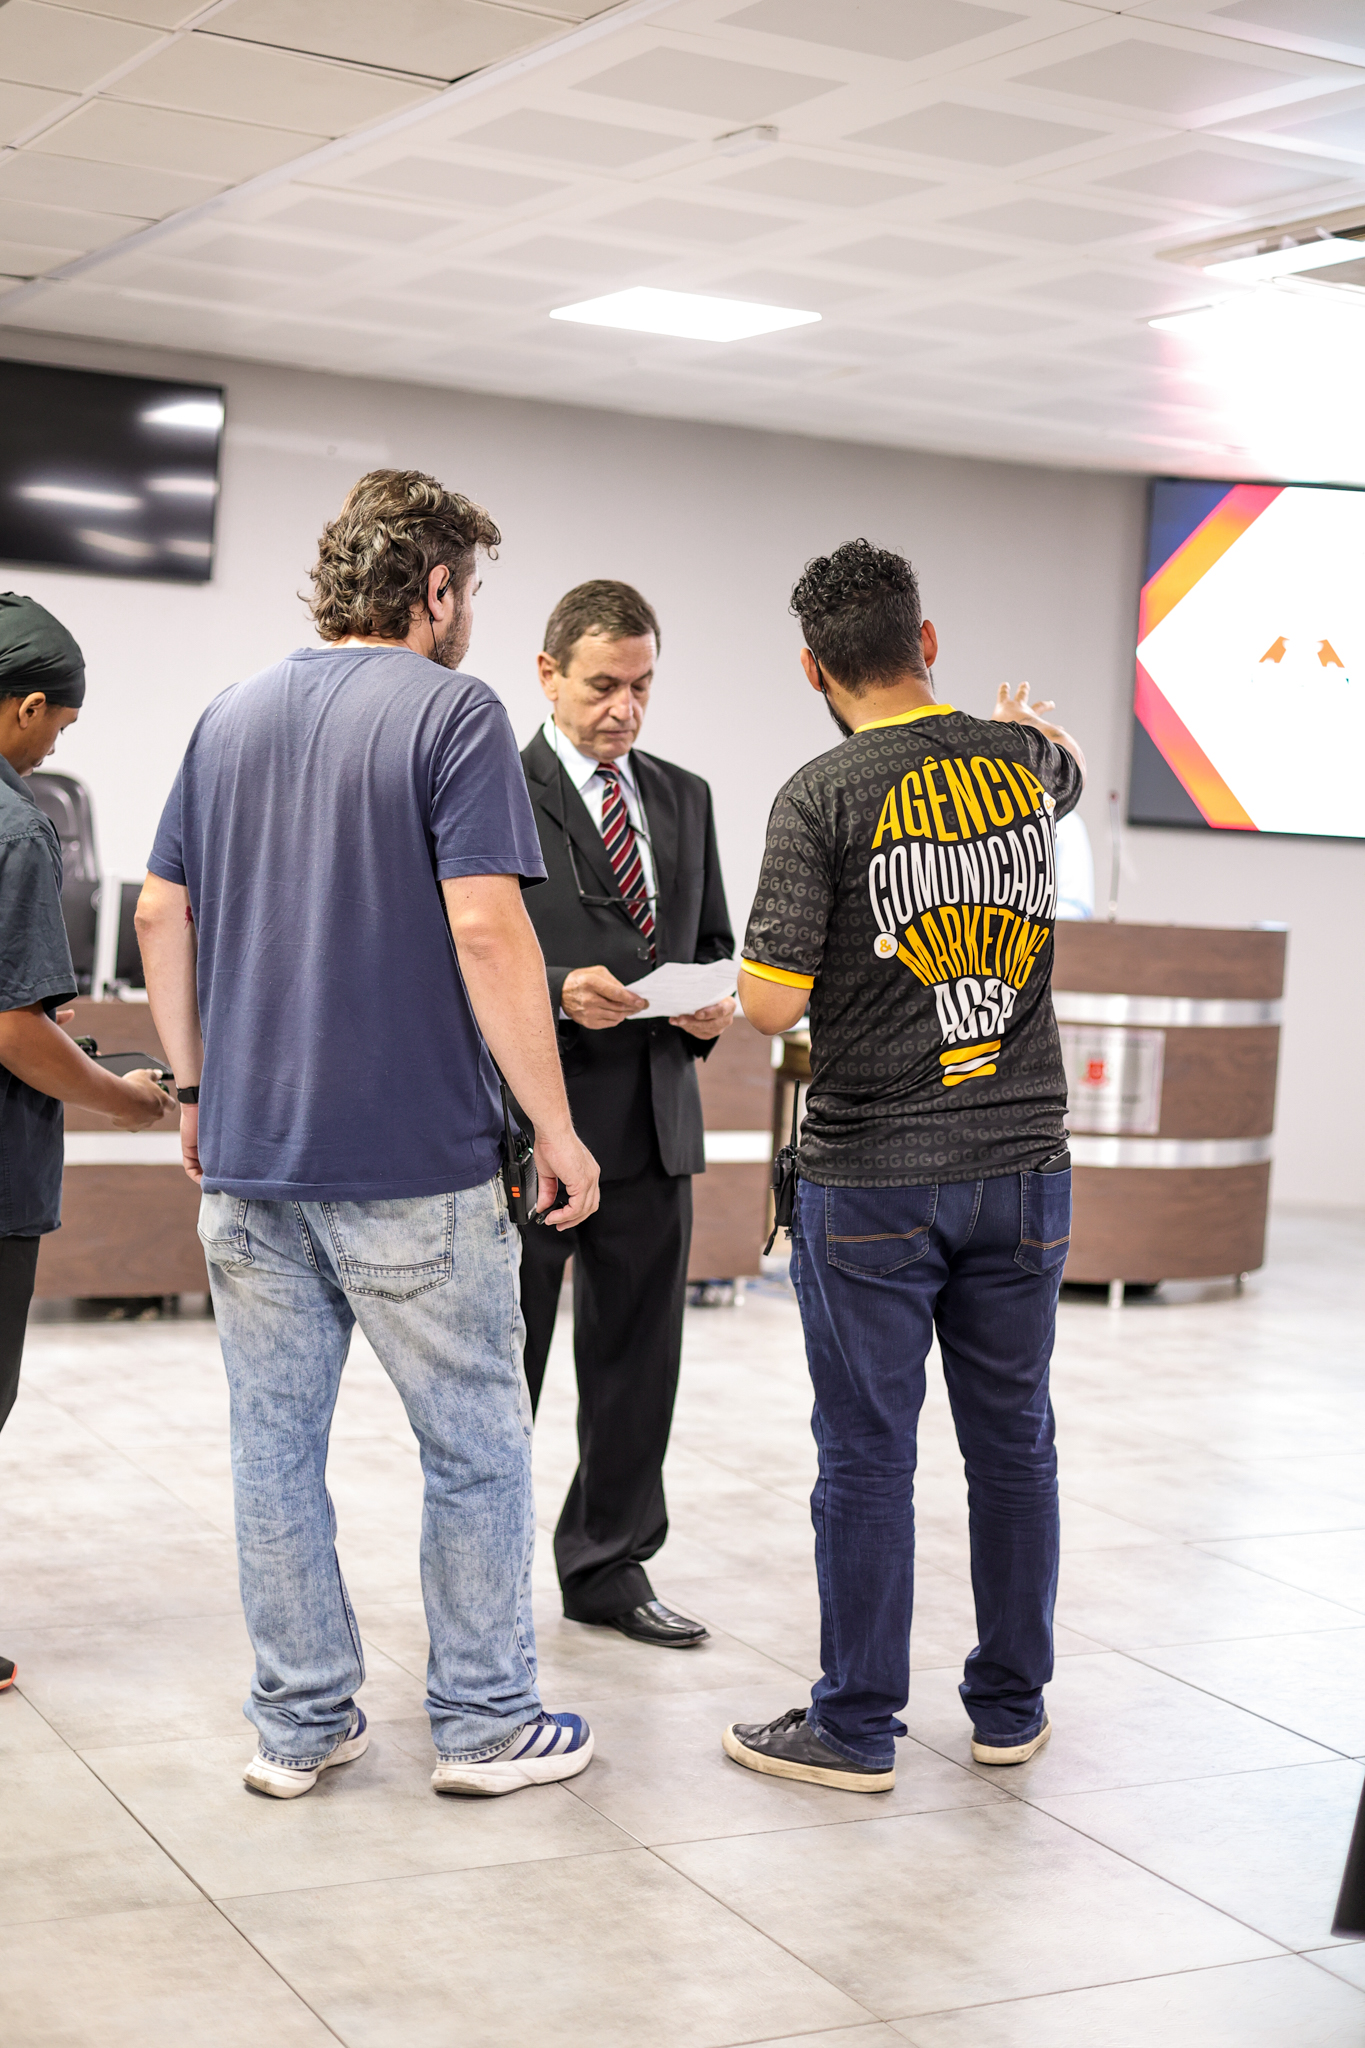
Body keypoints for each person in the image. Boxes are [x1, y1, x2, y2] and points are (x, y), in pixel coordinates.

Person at [135, 471, 601, 1799]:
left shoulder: (228, 715)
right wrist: (556, 1126)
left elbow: (162, 912)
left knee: (273, 1451)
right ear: (435, 589)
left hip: (249, 1164)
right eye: (470, 591)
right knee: (476, 1445)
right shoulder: (456, 712)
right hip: (413, 1168)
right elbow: (486, 927)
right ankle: (487, 1722)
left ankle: (299, 1724)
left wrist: (194, 1091)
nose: (470, 616)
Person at [723, 539, 1085, 1793]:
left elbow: (770, 1004)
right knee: (1015, 1442)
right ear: (927, 642)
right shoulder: (1021, 766)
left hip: (875, 1175)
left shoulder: (818, 794)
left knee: (870, 1453)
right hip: (1025, 1165)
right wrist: (1028, 731)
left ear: (813, 668)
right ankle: (1010, 1707)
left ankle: (857, 1724)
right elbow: (1060, 763)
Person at [517, 581, 734, 1647]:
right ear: (547, 674)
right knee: (500, 1366)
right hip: (529, 1124)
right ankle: (477, 1579)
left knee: (639, 1364)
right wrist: (562, 986)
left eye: (642, 686)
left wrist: (713, 1005)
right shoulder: (495, 790)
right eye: (603, 684)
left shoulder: (684, 796)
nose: (625, 707)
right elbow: (455, 947)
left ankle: (608, 1565)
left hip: (653, 1119)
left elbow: (714, 942)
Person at [0, 593, 171, 1693]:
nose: (57, 745)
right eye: (58, 724)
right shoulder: (19, 826)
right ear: (25, 707)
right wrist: (122, 1098)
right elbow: (16, 1033)